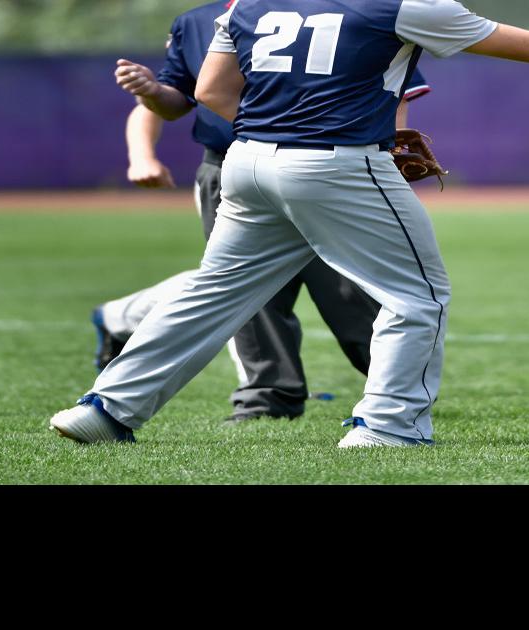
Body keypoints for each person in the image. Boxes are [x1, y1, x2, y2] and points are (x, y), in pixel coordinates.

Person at [50, 0, 529, 447]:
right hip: (337, 164)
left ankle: (104, 409)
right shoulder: (399, 5)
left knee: (212, 294)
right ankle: (387, 427)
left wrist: (284, 122)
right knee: (417, 295)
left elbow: (213, 94)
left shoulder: (250, 5)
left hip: (245, 162)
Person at [101, 0, 432, 423]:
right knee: (250, 293)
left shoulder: (351, 9)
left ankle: (389, 383)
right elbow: (181, 99)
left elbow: (393, 84)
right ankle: (269, 396)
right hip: (240, 165)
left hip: (330, 167)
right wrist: (151, 95)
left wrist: (386, 148)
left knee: (348, 283)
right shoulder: (199, 22)